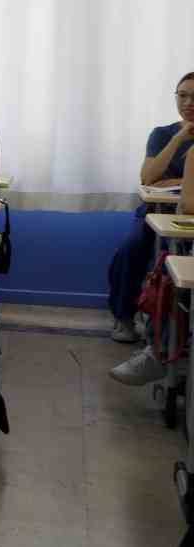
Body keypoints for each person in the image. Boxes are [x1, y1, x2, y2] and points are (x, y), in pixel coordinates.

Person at [109, 73, 194, 381]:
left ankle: (169, 339)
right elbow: (148, 178)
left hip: (187, 216)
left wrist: (176, 181)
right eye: (182, 95)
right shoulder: (163, 134)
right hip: (156, 212)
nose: (188, 102)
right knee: (131, 249)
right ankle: (125, 317)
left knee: (177, 266)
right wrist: (179, 138)